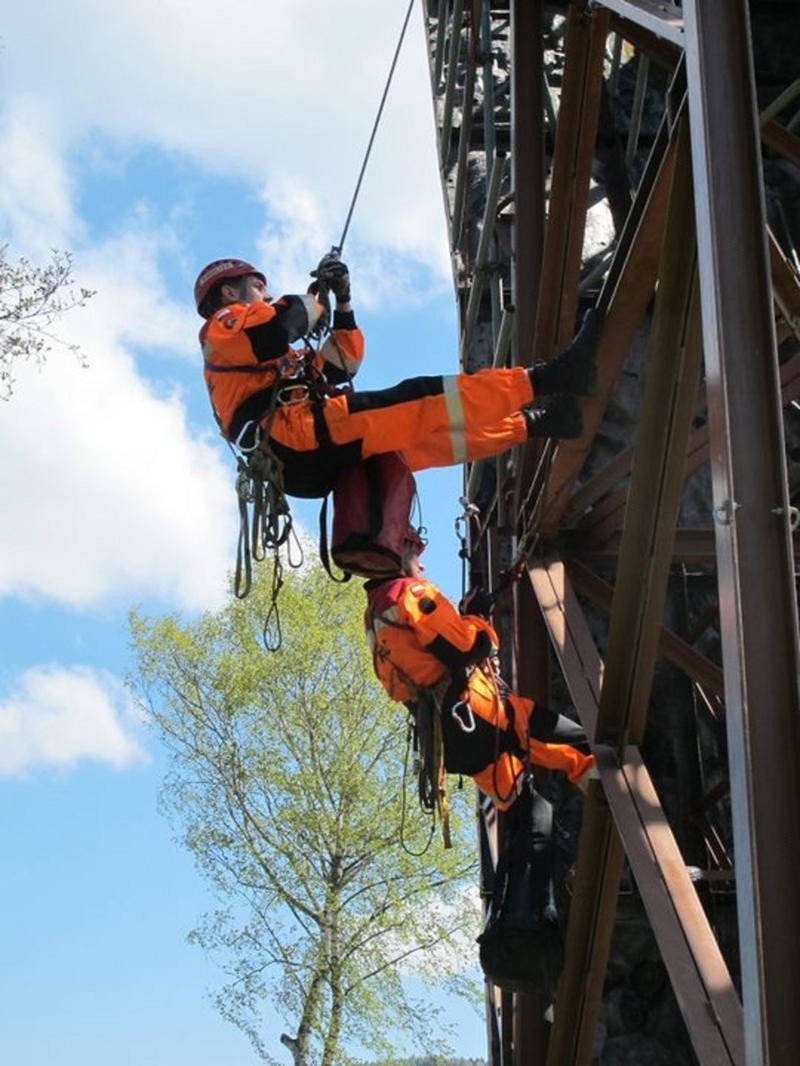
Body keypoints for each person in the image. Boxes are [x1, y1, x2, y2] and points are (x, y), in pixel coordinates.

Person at [195, 255, 602, 499]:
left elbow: (343, 364)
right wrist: (316, 295)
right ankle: (553, 378)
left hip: (300, 452)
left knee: (423, 442)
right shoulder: (224, 326)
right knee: (423, 399)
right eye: (257, 287)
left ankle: (537, 423)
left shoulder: (266, 366)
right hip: (296, 435)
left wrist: (343, 301)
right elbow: (284, 323)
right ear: (229, 293)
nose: (265, 295)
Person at [363, 525, 595, 810]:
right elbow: (468, 649)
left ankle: (533, 842)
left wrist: (466, 619)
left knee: (528, 811)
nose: (421, 564)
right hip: (478, 714)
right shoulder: (410, 593)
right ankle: (611, 790)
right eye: (416, 553)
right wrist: (476, 617)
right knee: (581, 741)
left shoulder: (373, 618)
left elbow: (418, 669)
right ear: (399, 550)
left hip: (451, 739)